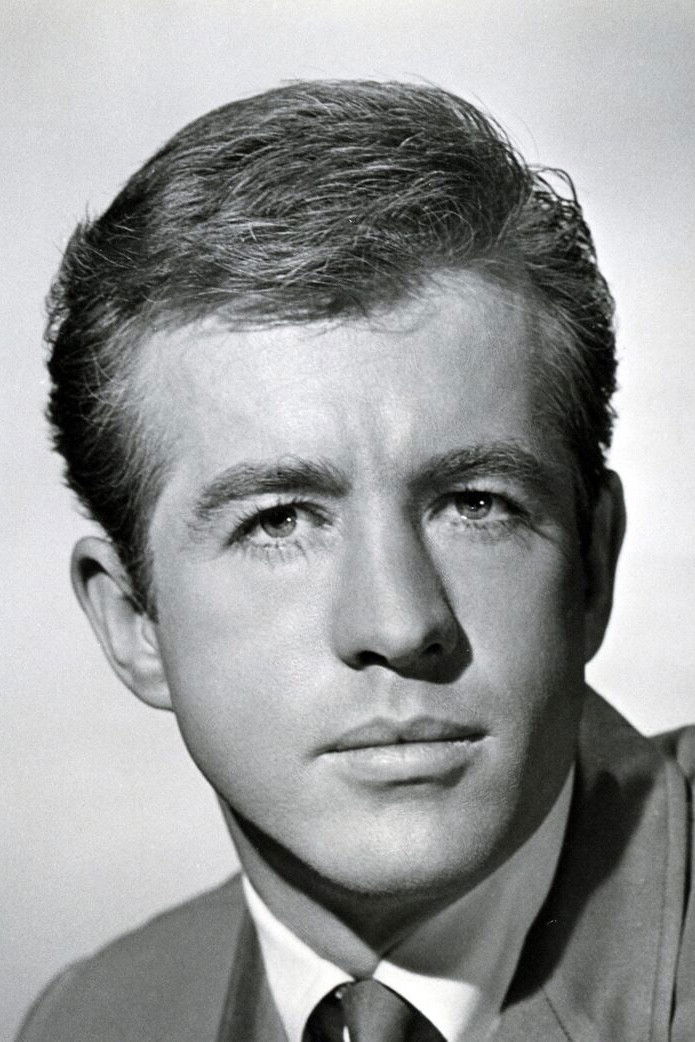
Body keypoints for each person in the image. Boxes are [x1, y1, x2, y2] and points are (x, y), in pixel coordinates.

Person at [19, 80, 694, 1042]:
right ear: (134, 624)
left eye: (474, 504)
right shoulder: (89, 1020)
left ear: (592, 564)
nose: (399, 623)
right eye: (280, 521)